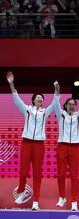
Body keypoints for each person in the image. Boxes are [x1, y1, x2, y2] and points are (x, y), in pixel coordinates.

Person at [6, 71, 59, 210]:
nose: (41, 100)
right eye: (38, 98)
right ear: (33, 100)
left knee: (37, 173)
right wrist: (11, 84)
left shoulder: (45, 112)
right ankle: (21, 192)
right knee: (23, 171)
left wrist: (56, 89)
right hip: (26, 143)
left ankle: (36, 201)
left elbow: (55, 103)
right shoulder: (27, 110)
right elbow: (16, 99)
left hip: (39, 145)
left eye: (42, 99)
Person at [54, 84, 79, 211]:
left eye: (74, 104)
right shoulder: (60, 114)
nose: (72, 106)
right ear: (66, 105)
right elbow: (56, 103)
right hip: (62, 146)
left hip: (75, 148)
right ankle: (62, 197)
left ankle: (74, 201)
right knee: (61, 174)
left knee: (74, 175)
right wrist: (57, 90)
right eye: (70, 104)